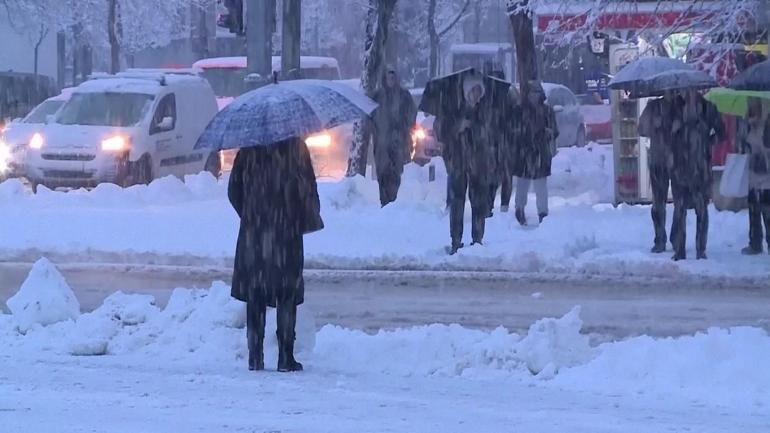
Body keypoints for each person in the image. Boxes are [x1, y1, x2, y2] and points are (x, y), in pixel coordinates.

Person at [228, 137, 324, 372]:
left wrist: (251, 212)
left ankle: (255, 356)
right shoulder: (296, 149)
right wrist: (298, 214)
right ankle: (285, 356)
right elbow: (308, 190)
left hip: (255, 234)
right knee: (287, 294)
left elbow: (233, 191)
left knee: (256, 294)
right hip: (286, 232)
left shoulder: (249, 150)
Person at [435, 75, 490, 254]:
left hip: (477, 163)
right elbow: (444, 133)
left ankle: (477, 239)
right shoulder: (454, 110)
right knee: (457, 202)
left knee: (478, 202)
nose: (475, 95)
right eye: (473, 91)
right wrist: (459, 127)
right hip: (458, 162)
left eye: (478, 92)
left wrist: (476, 129)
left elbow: (488, 135)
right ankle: (456, 240)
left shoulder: (483, 111)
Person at [669, 90, 725, 261]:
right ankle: (680, 249)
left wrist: (708, 142)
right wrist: (673, 131)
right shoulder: (676, 109)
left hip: (700, 169)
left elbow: (722, 133)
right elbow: (667, 136)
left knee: (701, 210)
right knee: (680, 210)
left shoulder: (709, 109)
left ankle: (701, 249)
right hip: (681, 168)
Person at [638, 90, 681, 253]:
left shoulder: (681, 107)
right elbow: (641, 129)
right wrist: (654, 125)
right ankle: (660, 238)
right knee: (659, 203)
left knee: (679, 202)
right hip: (659, 160)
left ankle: (676, 238)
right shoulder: (653, 107)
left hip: (677, 160)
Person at [513, 81, 558, 226]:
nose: (534, 96)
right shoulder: (520, 111)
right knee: (522, 184)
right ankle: (519, 210)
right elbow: (515, 130)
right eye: (532, 92)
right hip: (524, 152)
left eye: (537, 93)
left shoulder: (547, 111)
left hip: (541, 151)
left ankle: (543, 213)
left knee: (541, 186)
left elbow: (554, 130)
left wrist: (549, 133)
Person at [371, 67, 417, 207]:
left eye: (393, 76)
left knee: (396, 175)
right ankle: (384, 202)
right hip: (382, 144)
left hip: (398, 143)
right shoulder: (377, 96)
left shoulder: (404, 96)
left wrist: (403, 126)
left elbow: (412, 115)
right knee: (383, 174)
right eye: (388, 76)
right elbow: (370, 116)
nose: (390, 80)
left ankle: (393, 203)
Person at [741, 97, 770, 255]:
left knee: (767, 210)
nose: (751, 107)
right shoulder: (748, 124)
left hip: (766, 177)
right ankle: (755, 242)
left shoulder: (767, 122)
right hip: (753, 175)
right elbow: (743, 144)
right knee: (753, 209)